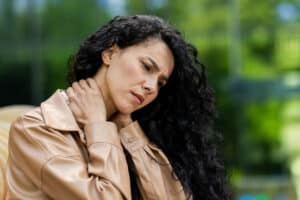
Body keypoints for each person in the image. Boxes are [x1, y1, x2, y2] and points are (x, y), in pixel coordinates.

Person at [4, 15, 230, 200]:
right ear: (110, 53)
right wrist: (97, 126)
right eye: (146, 67)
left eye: (160, 82)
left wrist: (127, 130)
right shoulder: (36, 129)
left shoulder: (128, 129)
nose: (151, 86)